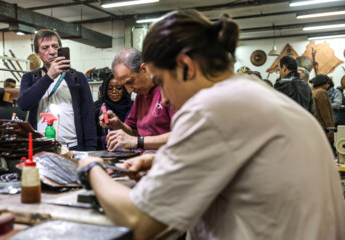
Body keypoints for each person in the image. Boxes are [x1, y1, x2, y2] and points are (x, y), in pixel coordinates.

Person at [79, 10, 345, 240]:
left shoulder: (211, 107)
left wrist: (91, 169)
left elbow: (139, 221)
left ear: (185, 66)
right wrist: (167, 161)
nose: (166, 97)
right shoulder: (254, 95)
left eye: (161, 80)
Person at [18, 29, 96, 151]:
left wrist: (91, 149)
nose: (52, 52)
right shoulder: (30, 78)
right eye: (45, 48)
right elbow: (23, 104)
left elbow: (88, 116)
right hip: (41, 147)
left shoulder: (78, 78)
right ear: (37, 53)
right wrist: (49, 77)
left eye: (55, 46)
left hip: (73, 146)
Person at [100, 48, 175, 151]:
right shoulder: (141, 95)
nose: (129, 91)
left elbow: (184, 134)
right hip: (145, 161)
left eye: (129, 82)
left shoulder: (169, 90)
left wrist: (138, 141)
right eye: (124, 85)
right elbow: (133, 132)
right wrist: (117, 124)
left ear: (144, 69)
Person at [95, 72, 133, 150]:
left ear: (124, 89)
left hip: (131, 152)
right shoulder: (98, 109)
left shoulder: (134, 107)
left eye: (118, 88)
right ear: (105, 90)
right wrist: (104, 139)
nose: (114, 91)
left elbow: (140, 133)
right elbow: (91, 137)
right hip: (106, 153)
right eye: (110, 88)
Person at [312, 74, 336, 144]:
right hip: (323, 126)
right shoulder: (321, 92)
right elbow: (325, 112)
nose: (328, 85)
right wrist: (330, 128)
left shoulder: (314, 92)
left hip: (317, 125)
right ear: (324, 83)